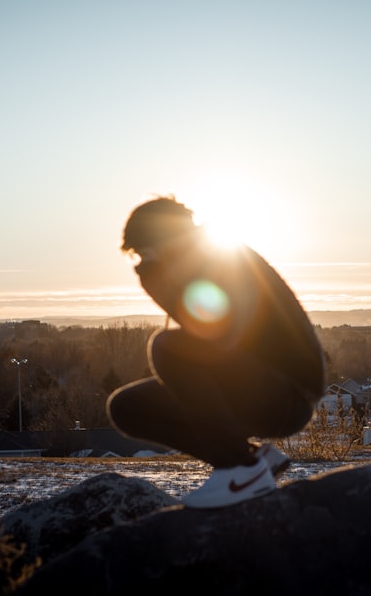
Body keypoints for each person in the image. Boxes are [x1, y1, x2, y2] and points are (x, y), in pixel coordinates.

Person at [106, 195, 325, 509]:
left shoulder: (226, 257)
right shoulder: (192, 264)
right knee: (127, 407)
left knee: (166, 347)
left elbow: (219, 333)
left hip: (288, 396)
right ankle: (253, 460)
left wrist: (157, 275)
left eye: (146, 253)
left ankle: (241, 471)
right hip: (248, 383)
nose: (144, 264)